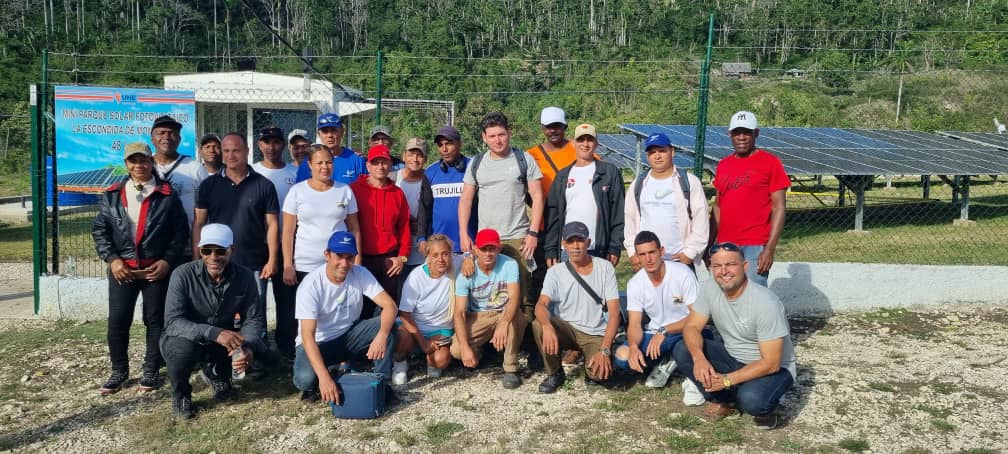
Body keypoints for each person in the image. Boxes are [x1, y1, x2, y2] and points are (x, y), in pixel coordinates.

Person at [92, 142, 189, 395]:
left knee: (155, 320)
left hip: (154, 269)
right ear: (126, 164)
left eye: (144, 161)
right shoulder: (112, 195)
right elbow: (100, 231)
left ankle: (151, 368)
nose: (139, 166)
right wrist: (113, 259)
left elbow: (180, 233)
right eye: (133, 161)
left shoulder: (166, 195)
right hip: (122, 269)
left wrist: (167, 261)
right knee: (118, 320)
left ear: (151, 162)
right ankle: (119, 370)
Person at [673, 242, 797, 429]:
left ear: (744, 266)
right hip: (734, 358)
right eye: (717, 266)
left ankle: (762, 406)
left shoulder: (765, 302)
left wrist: (727, 380)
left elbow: (771, 363)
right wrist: (699, 358)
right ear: (710, 269)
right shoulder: (709, 289)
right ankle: (724, 401)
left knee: (752, 400)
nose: (724, 271)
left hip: (774, 368)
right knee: (683, 349)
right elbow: (691, 327)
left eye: (731, 264)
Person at [192, 133, 280, 367]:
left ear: (247, 151)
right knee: (220, 312)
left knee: (254, 314)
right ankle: (219, 360)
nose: (231, 156)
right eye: (227, 150)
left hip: (254, 261)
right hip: (218, 261)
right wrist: (197, 256)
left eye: (236, 151)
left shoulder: (263, 185)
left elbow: (272, 225)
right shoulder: (208, 185)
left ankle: (255, 359)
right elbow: (199, 222)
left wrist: (272, 259)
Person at [161, 224, 265, 419]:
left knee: (249, 347)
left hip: (223, 340)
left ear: (231, 250)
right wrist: (214, 333)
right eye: (206, 250)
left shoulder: (245, 276)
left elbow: (253, 318)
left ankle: (217, 375)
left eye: (220, 251)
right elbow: (173, 322)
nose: (213, 256)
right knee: (180, 351)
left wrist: (248, 347)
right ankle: (181, 395)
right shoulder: (182, 274)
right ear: (199, 250)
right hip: (186, 338)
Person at [292, 231, 398, 404]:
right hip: (319, 342)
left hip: (349, 335)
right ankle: (329, 373)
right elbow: (307, 336)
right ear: (327, 255)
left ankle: (381, 382)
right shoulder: (310, 285)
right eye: (339, 256)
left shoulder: (360, 273)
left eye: (349, 257)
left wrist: (382, 335)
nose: (344, 263)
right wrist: (324, 378)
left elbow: (390, 306)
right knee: (304, 380)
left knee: (388, 325)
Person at [458, 112, 545, 323]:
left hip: (518, 237)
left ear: (509, 133)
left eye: (501, 134)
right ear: (484, 137)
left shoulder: (524, 160)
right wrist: (463, 234)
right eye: (492, 136)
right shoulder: (477, 163)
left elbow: (537, 196)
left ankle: (525, 343)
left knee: (524, 294)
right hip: (486, 240)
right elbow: (466, 200)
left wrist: (533, 232)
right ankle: (493, 343)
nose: (498, 140)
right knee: (487, 293)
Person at [531, 222, 621, 393]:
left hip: (594, 332)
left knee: (600, 375)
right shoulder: (555, 272)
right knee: (539, 325)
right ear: (564, 244)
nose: (576, 246)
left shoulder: (605, 268)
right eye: (570, 241)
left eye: (580, 241)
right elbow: (541, 305)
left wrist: (605, 349)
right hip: (567, 328)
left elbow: (615, 313)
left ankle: (592, 363)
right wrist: (547, 326)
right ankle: (555, 372)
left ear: (588, 242)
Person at [614, 231, 704, 390]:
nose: (648, 259)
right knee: (622, 356)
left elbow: (697, 316)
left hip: (683, 329)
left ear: (661, 251)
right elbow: (634, 324)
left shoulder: (682, 273)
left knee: (683, 346)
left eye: (652, 252)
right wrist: (634, 347)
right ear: (637, 257)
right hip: (655, 333)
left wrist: (664, 331)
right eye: (642, 254)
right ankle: (666, 359)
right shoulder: (635, 283)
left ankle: (673, 359)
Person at [712, 111, 789, 286]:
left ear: (756, 133)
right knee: (726, 296)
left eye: (746, 132)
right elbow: (718, 207)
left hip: (755, 246)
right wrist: (711, 244)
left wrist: (769, 248)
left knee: (755, 297)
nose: (741, 137)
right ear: (729, 134)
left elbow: (779, 208)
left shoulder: (771, 163)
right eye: (737, 132)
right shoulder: (723, 165)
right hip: (725, 245)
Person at [450, 228, 527, 389]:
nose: (488, 253)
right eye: (483, 249)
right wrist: (464, 347)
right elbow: (459, 312)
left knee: (516, 316)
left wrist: (504, 322)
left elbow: (514, 297)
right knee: (456, 350)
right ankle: (481, 353)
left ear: (499, 248)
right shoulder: (465, 272)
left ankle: (510, 368)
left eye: (492, 248)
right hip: (478, 315)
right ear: (476, 250)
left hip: (502, 311)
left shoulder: (509, 264)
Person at [624, 132, 709, 272]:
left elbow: (701, 219)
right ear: (647, 156)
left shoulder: (689, 182)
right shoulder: (638, 184)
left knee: (681, 296)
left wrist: (690, 253)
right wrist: (632, 252)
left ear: (672, 152)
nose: (657, 156)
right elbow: (630, 219)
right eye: (652, 152)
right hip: (648, 262)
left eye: (662, 151)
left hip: (681, 261)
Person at [282, 145, 362, 290]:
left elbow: (354, 229)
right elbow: (288, 232)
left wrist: (357, 260)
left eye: (328, 162)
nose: (324, 167)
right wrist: (288, 265)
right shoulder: (297, 191)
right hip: (305, 266)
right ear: (310, 165)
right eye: (319, 163)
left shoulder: (344, 190)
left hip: (339, 265)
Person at [544, 123, 624, 267]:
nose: (585, 144)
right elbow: (553, 215)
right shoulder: (563, 176)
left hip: (599, 247)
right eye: (581, 140)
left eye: (590, 139)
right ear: (574, 144)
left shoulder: (609, 172)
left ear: (596, 143)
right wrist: (550, 248)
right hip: (568, 249)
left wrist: (614, 246)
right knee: (569, 289)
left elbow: (618, 212)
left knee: (597, 290)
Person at [526, 107, 578, 326]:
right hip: (545, 227)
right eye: (549, 126)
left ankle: (570, 331)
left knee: (572, 279)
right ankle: (538, 330)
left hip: (575, 229)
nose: (553, 130)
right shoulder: (531, 155)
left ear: (565, 126)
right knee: (541, 278)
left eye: (557, 126)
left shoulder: (580, 149)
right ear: (542, 128)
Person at [251, 126, 300, 359]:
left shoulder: (294, 172)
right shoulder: (252, 172)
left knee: (287, 300)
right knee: (256, 300)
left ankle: (286, 345)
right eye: (266, 142)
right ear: (259, 145)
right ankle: (258, 347)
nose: (271, 147)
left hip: (287, 245)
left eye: (276, 142)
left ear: (284, 145)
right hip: (258, 244)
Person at [350, 144, 412, 315]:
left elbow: (404, 227)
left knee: (389, 309)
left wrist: (402, 257)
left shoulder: (397, 193)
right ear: (368, 165)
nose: (380, 167)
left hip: (389, 260)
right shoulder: (355, 190)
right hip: (362, 260)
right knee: (361, 309)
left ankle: (386, 341)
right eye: (375, 163)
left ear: (390, 164)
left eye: (384, 162)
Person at [391, 234, 459, 384]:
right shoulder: (416, 276)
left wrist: (468, 261)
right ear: (427, 256)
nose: (440, 259)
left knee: (441, 361)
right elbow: (404, 313)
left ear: (451, 254)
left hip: (440, 329)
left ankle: (430, 360)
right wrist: (423, 342)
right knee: (402, 336)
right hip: (415, 327)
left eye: (445, 254)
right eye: (435, 255)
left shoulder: (456, 266)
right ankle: (400, 363)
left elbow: (474, 254)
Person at [424, 125, 476, 256]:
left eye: (449, 144)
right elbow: (424, 209)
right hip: (441, 249)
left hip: (470, 244)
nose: (444, 149)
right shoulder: (430, 172)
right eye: (440, 145)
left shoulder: (474, 168)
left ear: (460, 144)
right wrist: (421, 238)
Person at [149, 115, 207, 229]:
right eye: (161, 133)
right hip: (150, 242)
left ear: (179, 139)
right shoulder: (143, 167)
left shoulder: (195, 168)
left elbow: (209, 204)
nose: (167, 137)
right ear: (152, 139)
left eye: (172, 133)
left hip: (187, 241)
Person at [395, 138, 433, 279]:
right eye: (411, 154)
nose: (415, 159)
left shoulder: (430, 179)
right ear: (404, 156)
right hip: (399, 250)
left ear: (425, 159)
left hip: (423, 250)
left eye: (419, 155)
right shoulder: (393, 179)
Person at [295, 113, 367, 185]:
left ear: (342, 132)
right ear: (319, 134)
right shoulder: (309, 162)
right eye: (325, 131)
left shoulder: (357, 161)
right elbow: (301, 191)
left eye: (333, 130)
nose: (329, 135)